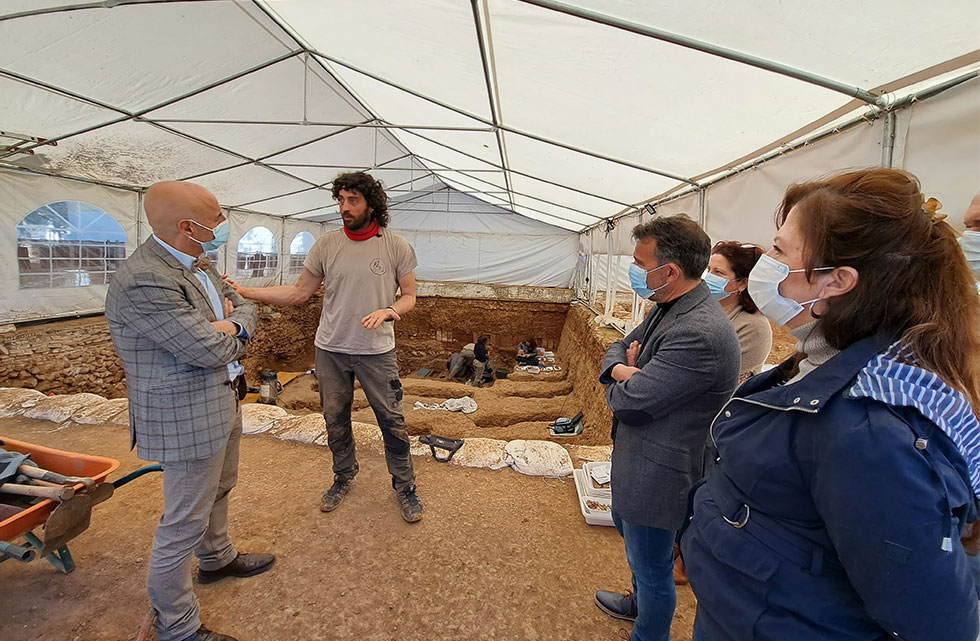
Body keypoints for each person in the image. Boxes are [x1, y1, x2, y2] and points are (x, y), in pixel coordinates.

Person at [681, 168, 980, 641]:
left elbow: (934, 616)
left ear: (835, 281)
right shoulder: (819, 362)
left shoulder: (869, 430)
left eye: (779, 251)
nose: (766, 261)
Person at [105, 181, 275, 641]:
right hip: (184, 413)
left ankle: (218, 559)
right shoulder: (146, 279)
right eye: (216, 218)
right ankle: (177, 624)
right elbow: (207, 349)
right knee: (182, 522)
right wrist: (230, 326)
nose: (222, 226)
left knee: (221, 487)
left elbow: (243, 307)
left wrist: (232, 320)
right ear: (187, 226)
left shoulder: (195, 261)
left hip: (221, 397)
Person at [225, 171, 423, 523]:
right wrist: (246, 292)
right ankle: (343, 476)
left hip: (376, 351)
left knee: (391, 419)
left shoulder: (396, 246)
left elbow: (409, 296)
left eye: (353, 201)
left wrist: (390, 310)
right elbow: (299, 292)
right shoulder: (327, 244)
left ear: (372, 205)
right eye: (341, 201)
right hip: (331, 348)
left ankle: (405, 486)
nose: (345, 208)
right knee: (334, 419)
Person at [593, 214, 741, 641]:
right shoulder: (670, 306)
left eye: (641, 263)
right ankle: (638, 604)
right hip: (638, 463)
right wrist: (626, 369)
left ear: (670, 271)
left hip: (661, 476)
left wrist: (624, 379)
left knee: (654, 568)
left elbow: (631, 405)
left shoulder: (700, 332)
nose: (636, 271)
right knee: (640, 556)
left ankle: (648, 631)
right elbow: (617, 346)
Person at [704, 241, 773, 383]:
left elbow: (718, 376)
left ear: (742, 283)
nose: (709, 277)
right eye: (708, 269)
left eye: (718, 272)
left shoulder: (753, 327)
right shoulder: (705, 308)